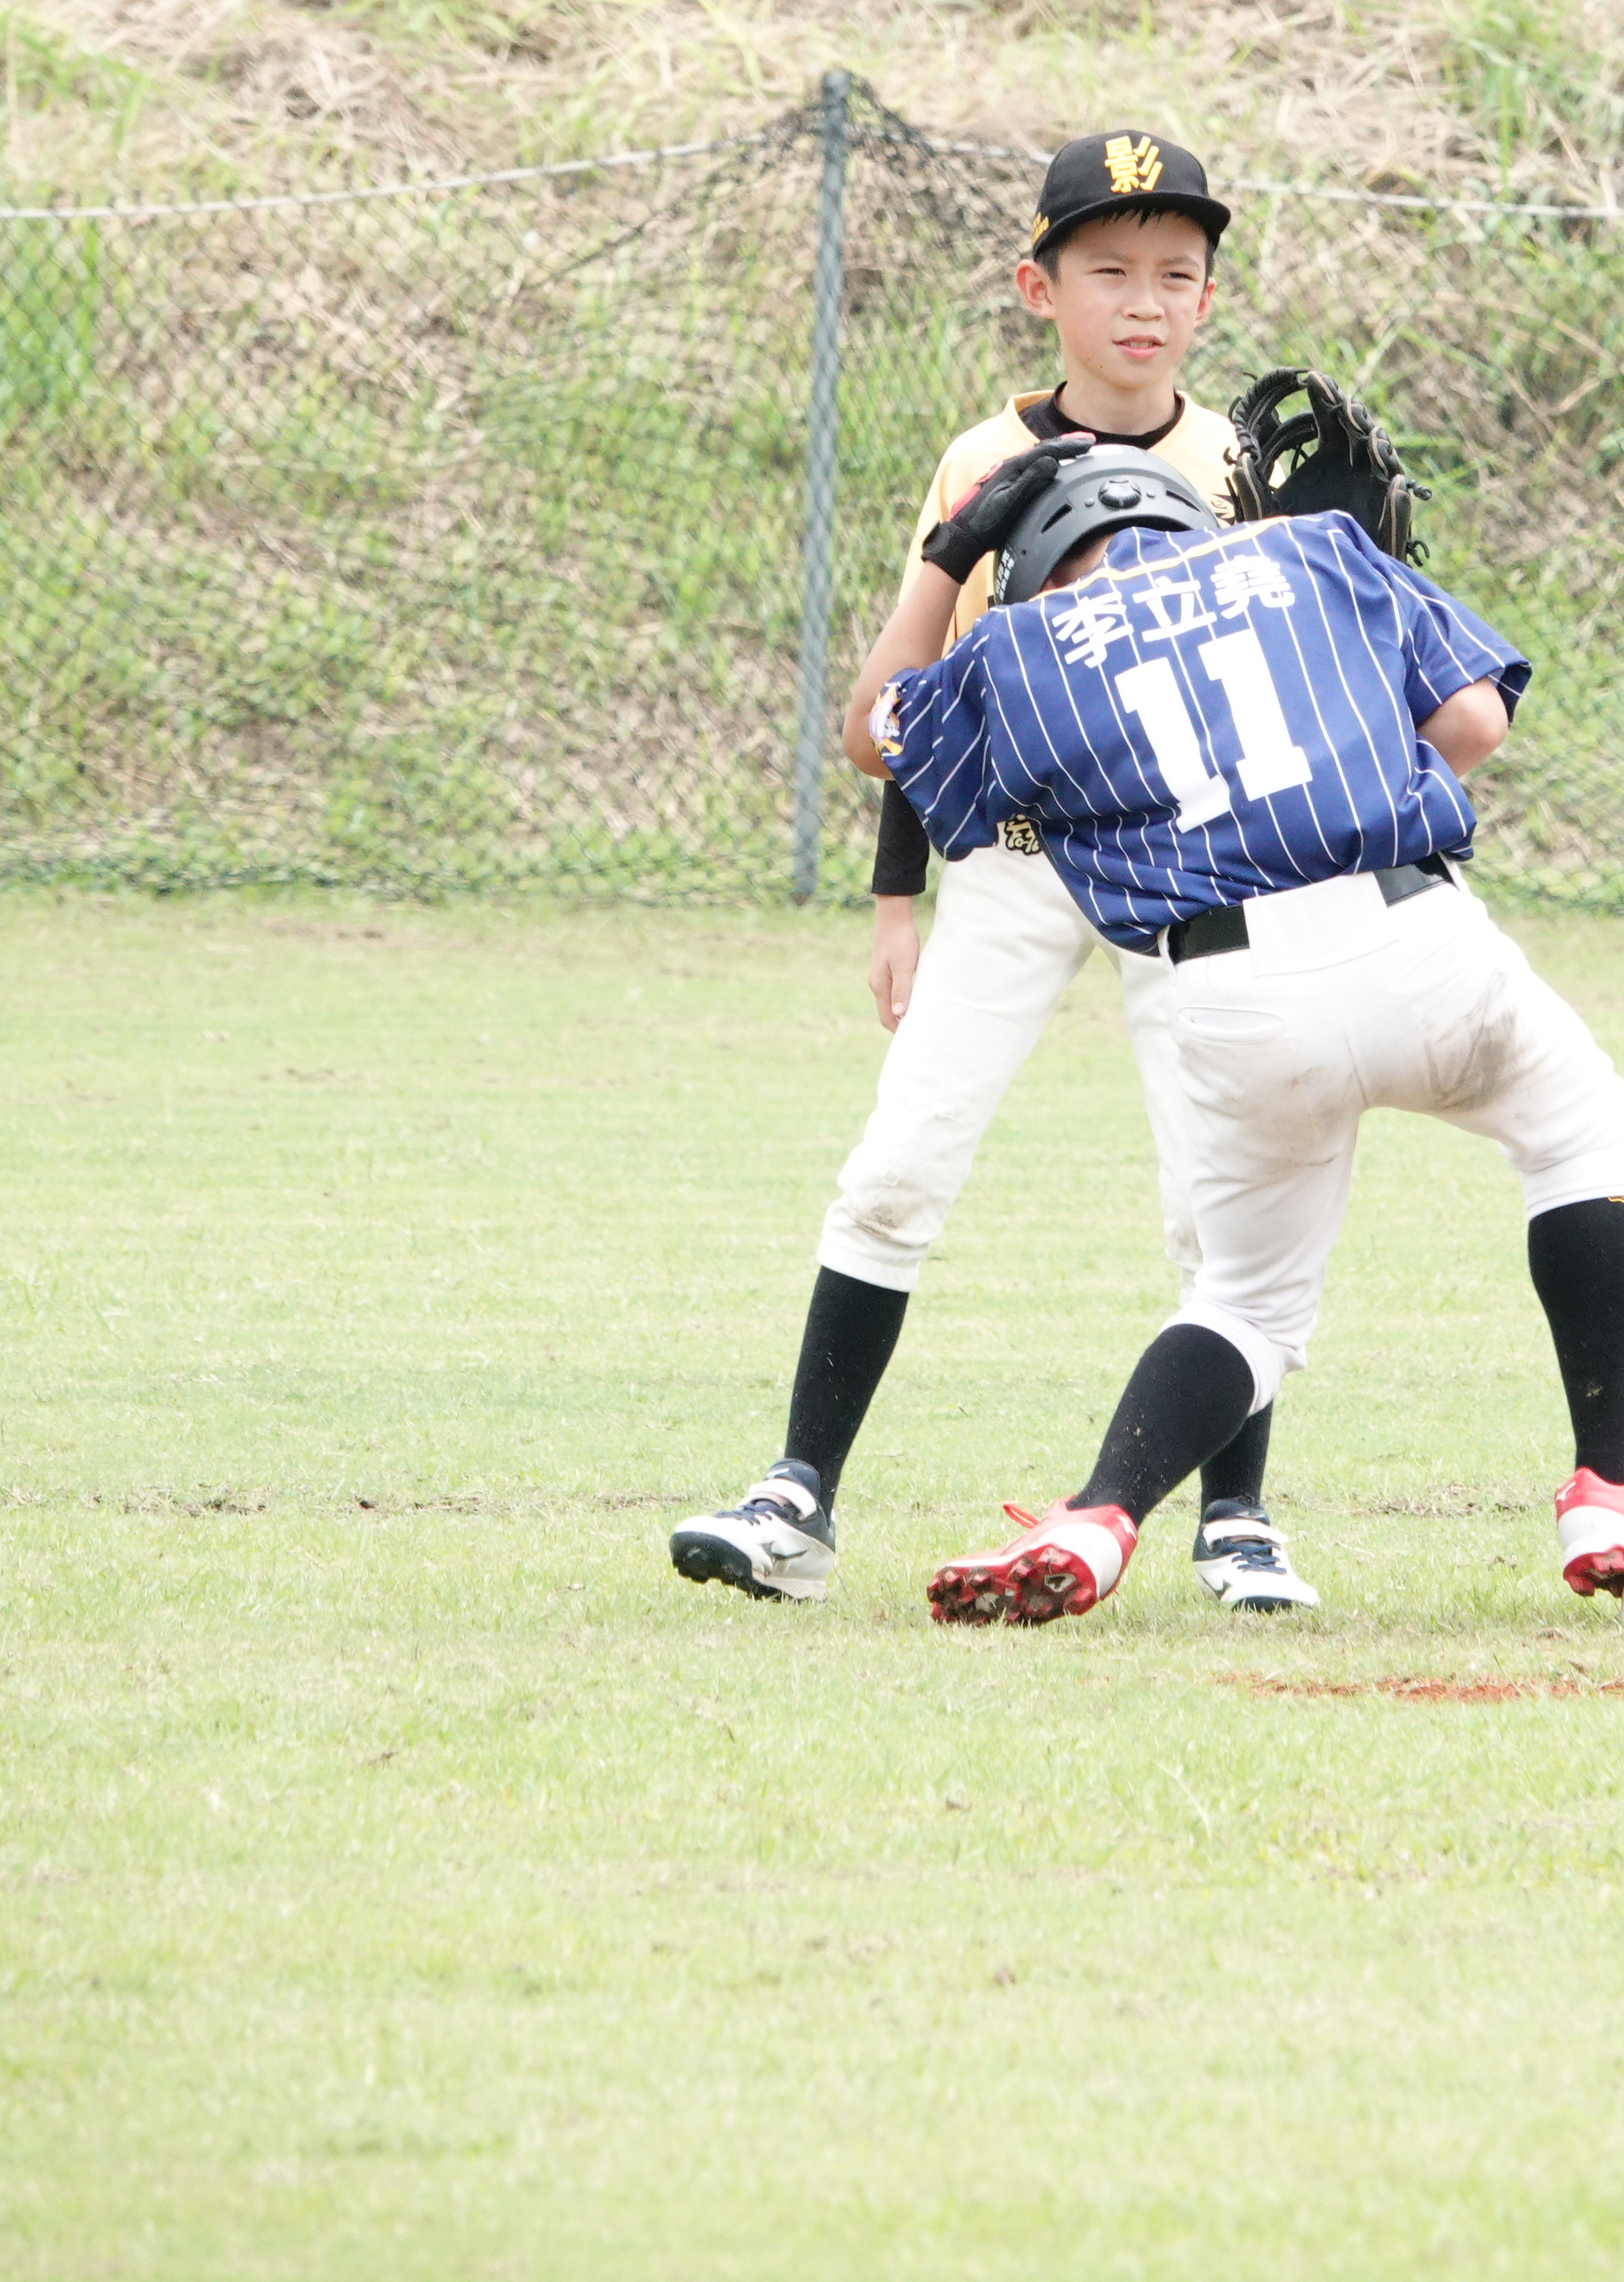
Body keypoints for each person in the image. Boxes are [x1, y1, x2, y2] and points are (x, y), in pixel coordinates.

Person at [853, 442, 1624, 1625]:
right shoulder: (1314, 550)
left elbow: (876, 733)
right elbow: (1475, 722)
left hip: (1227, 993)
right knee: (1582, 1139)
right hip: (1411, 933)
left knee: (1245, 1305)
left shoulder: (1012, 648)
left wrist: (946, 561)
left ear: (1030, 564)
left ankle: (1096, 1516)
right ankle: (1615, 1483)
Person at [667, 129, 1317, 1614]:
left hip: (1190, 870)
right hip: (1016, 860)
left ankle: (1238, 1519)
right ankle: (797, 1498)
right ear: (1040, 287)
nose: (1143, 301)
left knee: (1220, 1194)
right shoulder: (985, 457)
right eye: (1109, 270)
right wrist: (895, 897)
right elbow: (913, 705)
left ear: (1210, 298)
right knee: (900, 1162)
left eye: (1177, 274)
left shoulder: (1238, 463)